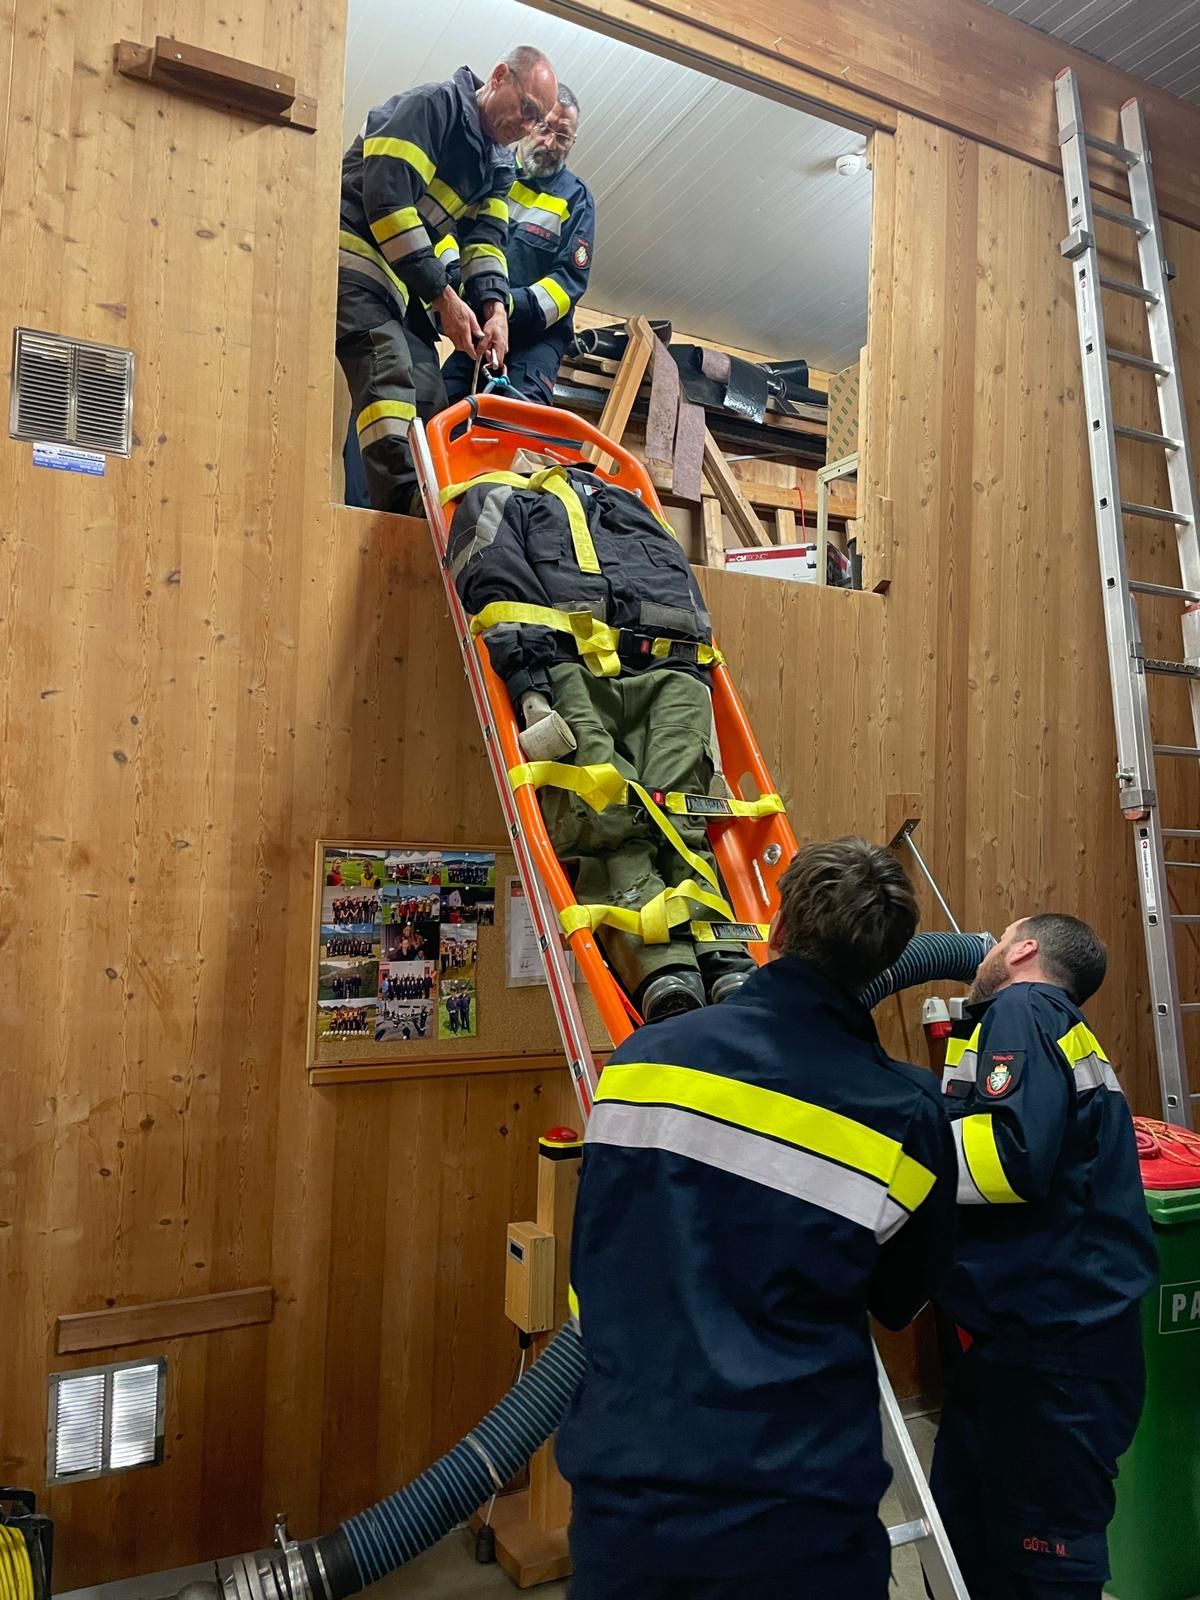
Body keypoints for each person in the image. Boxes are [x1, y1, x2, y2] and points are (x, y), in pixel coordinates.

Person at [556, 837, 959, 1599]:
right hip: (797, 1516)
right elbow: (899, 1300)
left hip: (626, 1503)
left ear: (774, 926)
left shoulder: (640, 1062)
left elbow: (602, 1249)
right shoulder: (905, 1117)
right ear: (885, 963)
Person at [448, 454, 755, 1021]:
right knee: (603, 816)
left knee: (680, 813)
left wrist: (700, 681)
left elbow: (682, 588)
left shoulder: (629, 504)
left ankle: (722, 952)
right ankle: (662, 967)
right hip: (571, 663)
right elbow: (494, 576)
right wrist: (530, 687)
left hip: (671, 666)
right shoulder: (499, 493)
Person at [933, 914, 1158, 1600]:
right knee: (970, 1536)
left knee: (1043, 1560)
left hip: (1052, 1355)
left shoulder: (1023, 1007)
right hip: (1025, 1343)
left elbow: (1010, 1157)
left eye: (999, 938)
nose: (987, 951)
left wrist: (898, 1158)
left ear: (1024, 949)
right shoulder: (1045, 1024)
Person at [337, 49, 557, 513]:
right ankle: (401, 518)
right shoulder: (431, 107)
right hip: (350, 257)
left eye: (536, 121)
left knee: (430, 392)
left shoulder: (498, 167)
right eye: (528, 110)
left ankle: (434, 509)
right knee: (389, 371)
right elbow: (387, 206)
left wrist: (495, 310)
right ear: (499, 77)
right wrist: (443, 298)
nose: (526, 126)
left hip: (398, 286)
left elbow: (485, 244)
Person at [443, 86, 593, 407]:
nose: (550, 143)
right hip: (479, 329)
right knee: (437, 410)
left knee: (518, 422)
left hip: (535, 343)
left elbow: (567, 284)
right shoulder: (490, 171)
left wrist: (504, 306)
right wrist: (466, 297)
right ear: (530, 122)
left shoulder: (576, 199)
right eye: (544, 128)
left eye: (563, 136)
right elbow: (450, 238)